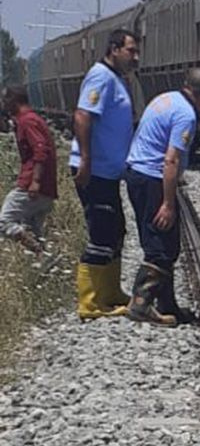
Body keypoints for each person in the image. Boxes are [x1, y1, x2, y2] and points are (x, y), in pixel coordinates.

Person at [124, 67, 200, 325]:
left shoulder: (165, 99)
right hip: (152, 177)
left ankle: (167, 305)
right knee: (162, 247)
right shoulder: (186, 115)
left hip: (136, 173)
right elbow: (171, 160)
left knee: (158, 240)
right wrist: (167, 203)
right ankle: (141, 302)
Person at [71, 28, 139, 319]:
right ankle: (89, 303)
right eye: (130, 50)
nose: (136, 57)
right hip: (94, 169)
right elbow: (83, 116)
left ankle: (110, 291)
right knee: (101, 232)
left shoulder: (117, 79)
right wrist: (85, 159)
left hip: (108, 172)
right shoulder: (100, 76)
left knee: (116, 229)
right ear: (114, 49)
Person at [0, 86, 57, 253]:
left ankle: (36, 250)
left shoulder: (27, 121)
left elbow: (41, 150)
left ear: (13, 101)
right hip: (46, 188)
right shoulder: (31, 119)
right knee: (33, 229)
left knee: (3, 222)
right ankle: (44, 260)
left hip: (32, 185)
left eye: (4, 100)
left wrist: (35, 181)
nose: (2, 104)